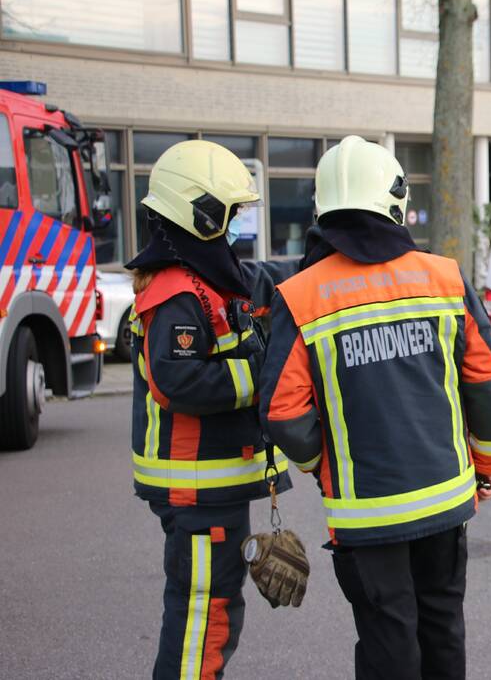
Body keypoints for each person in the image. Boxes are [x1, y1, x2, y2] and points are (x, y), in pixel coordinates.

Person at [259, 135, 491, 680]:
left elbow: (281, 411)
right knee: (443, 627)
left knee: (386, 638)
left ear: (322, 209)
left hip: (365, 512)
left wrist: (321, 467)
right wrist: (487, 469)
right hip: (446, 499)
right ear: (395, 201)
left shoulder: (300, 295)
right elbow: (488, 380)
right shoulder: (443, 277)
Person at [126, 139, 301, 679]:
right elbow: (178, 379)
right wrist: (263, 376)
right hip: (195, 490)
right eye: (229, 216)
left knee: (214, 609)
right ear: (198, 214)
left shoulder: (211, 278)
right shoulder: (176, 293)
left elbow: (267, 280)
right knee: (203, 617)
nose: (234, 230)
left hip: (213, 487)